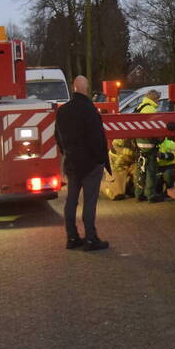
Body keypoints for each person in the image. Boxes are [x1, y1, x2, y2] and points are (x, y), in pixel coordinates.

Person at [55, 75, 110, 251]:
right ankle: (91, 239)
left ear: (73, 88)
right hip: (90, 163)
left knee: (71, 200)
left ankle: (71, 237)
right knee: (90, 201)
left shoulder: (63, 111)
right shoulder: (90, 110)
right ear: (86, 89)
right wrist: (100, 159)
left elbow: (58, 137)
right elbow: (97, 138)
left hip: (72, 161)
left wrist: (67, 153)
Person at [133, 89, 164, 203]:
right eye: (158, 99)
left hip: (139, 144)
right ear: (154, 98)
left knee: (140, 170)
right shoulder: (150, 109)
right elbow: (155, 129)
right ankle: (150, 195)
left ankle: (138, 194)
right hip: (149, 145)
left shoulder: (140, 107)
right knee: (150, 170)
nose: (159, 101)